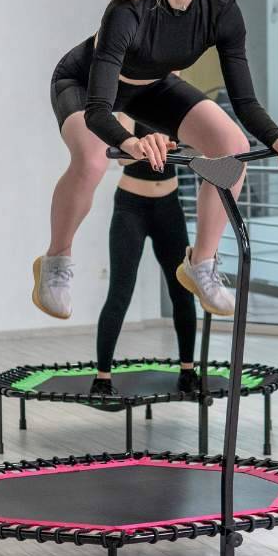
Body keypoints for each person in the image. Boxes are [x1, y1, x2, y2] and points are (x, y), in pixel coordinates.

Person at [33, 0, 278, 322]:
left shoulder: (222, 12)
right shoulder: (128, 12)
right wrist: (130, 142)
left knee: (232, 149)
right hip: (84, 85)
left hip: (152, 86)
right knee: (90, 160)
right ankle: (56, 261)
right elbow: (101, 109)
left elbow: (245, 103)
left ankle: (201, 263)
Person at [92, 118, 199, 395]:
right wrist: (147, 144)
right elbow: (123, 161)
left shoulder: (178, 105)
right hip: (131, 208)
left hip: (169, 207)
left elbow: (196, 146)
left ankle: (188, 371)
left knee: (183, 291)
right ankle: (102, 377)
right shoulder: (132, 104)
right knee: (120, 293)